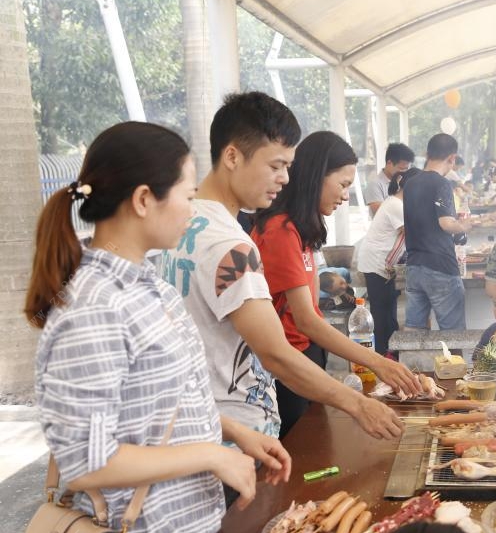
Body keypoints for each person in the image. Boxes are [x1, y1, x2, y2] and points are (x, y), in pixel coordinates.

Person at [26, 122, 291, 533]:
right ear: (144, 199)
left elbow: (156, 402)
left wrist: (234, 432)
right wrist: (212, 455)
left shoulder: (151, 288)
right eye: (187, 196)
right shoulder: (95, 307)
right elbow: (87, 461)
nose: (193, 208)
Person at [161, 93, 409, 447]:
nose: (284, 178)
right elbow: (276, 352)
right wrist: (358, 403)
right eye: (275, 166)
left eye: (288, 167)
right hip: (234, 438)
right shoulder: (230, 246)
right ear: (232, 155)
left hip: (208, 427)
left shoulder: (185, 225)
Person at [251, 131, 420, 435]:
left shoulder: (299, 230)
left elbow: (310, 311)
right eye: (342, 185)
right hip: (287, 365)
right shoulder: (280, 230)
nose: (345, 196)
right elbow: (306, 320)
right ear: (316, 176)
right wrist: (376, 362)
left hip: (306, 354)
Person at [403, 133, 472, 331]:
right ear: (452, 158)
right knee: (453, 335)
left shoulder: (410, 184)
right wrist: (465, 226)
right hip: (440, 266)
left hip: (414, 266)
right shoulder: (441, 183)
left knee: (414, 333)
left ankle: (413, 363)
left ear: (427, 153)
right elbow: (446, 223)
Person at [357, 167, 422, 353]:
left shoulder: (398, 203)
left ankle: (390, 352)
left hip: (383, 264)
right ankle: (383, 354)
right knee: (382, 313)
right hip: (376, 263)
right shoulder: (396, 205)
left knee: (389, 312)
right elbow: (415, 233)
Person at [365, 142, 415, 215]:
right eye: (401, 168)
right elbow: (380, 213)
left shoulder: (404, 181)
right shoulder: (375, 184)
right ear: (389, 163)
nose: (404, 172)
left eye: (406, 169)